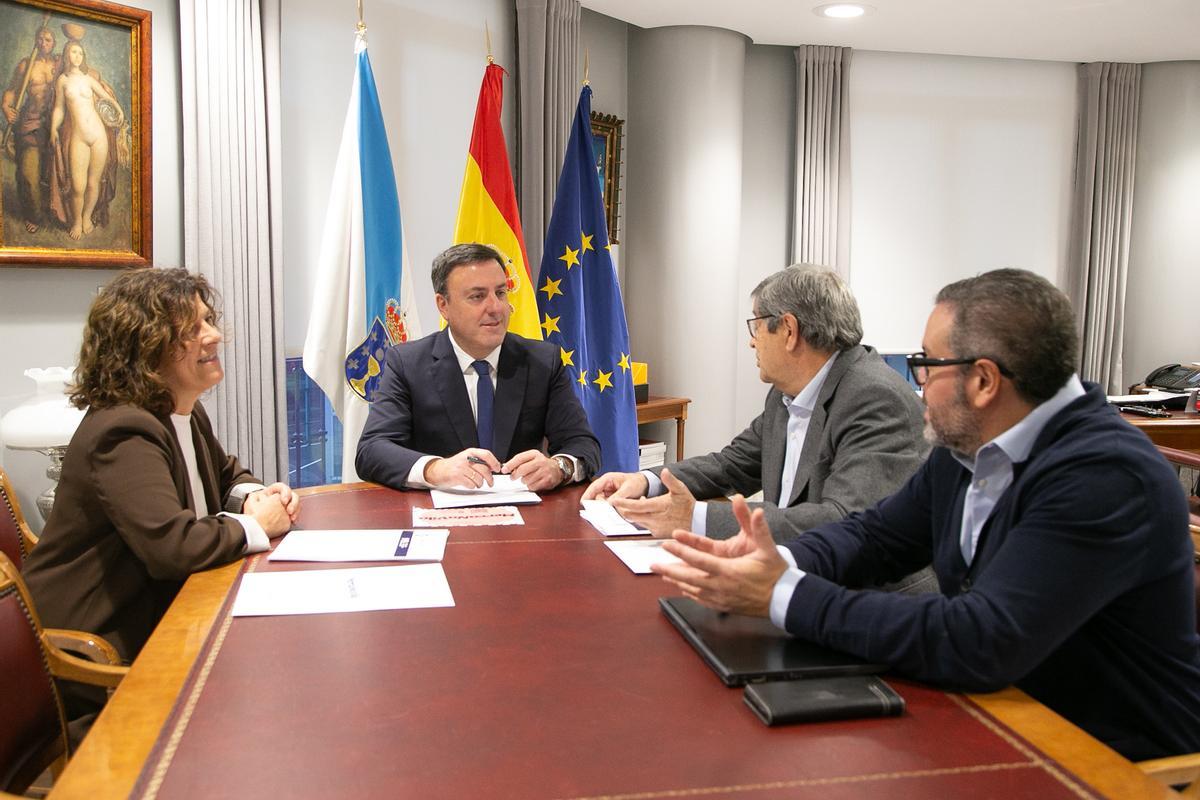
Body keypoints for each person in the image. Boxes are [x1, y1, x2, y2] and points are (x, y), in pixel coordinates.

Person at [653, 268, 1200, 762]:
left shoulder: (1104, 478)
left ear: (984, 381)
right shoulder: (969, 447)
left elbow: (979, 639)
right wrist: (769, 559)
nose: (917, 384)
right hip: (1003, 717)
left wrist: (781, 594)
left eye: (926, 365)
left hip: (1108, 760)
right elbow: (877, 537)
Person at [23, 268, 299, 668]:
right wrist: (257, 525)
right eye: (192, 327)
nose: (214, 335)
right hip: (100, 653)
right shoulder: (122, 429)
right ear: (145, 345)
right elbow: (173, 547)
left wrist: (255, 496)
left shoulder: (182, 407)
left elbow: (225, 477)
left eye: (208, 319)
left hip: (176, 616)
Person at [585, 265, 928, 544]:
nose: (752, 342)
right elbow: (732, 465)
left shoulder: (875, 398)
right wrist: (647, 481)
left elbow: (842, 520)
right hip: (794, 573)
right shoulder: (787, 393)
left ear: (789, 330)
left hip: (867, 603)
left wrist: (695, 518)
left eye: (757, 326)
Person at [356, 243, 601, 491]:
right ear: (443, 305)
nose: (496, 308)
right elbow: (372, 450)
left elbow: (583, 444)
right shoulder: (407, 363)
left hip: (525, 517)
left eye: (501, 293)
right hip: (438, 516)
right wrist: (435, 468)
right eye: (477, 296)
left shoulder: (542, 361)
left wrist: (559, 467)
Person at [48, 39, 122, 240]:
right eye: (73, 52)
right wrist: (54, 128)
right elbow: (59, 108)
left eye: (80, 52)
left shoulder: (89, 79)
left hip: (98, 135)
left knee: (93, 182)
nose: (77, 56)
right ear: (67, 55)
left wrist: (120, 113)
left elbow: (108, 99)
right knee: (78, 186)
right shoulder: (62, 80)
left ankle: (87, 216)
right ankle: (77, 221)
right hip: (79, 137)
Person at [2, 26, 58, 234]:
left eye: (48, 39)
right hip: (30, 124)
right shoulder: (26, 65)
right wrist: (6, 108)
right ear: (35, 40)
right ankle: (33, 215)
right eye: (40, 39)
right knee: (28, 172)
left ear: (54, 43)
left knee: (54, 171)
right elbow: (11, 91)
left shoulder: (60, 63)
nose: (44, 43)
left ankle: (58, 212)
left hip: (53, 126)